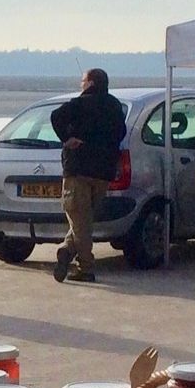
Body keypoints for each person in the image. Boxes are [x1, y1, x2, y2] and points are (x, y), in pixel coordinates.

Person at [48, 68, 126, 283]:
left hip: (78, 169)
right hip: (103, 171)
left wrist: (67, 138)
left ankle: (86, 268)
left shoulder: (79, 104)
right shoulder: (114, 105)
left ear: (91, 83)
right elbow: (121, 133)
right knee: (85, 220)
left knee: (78, 216)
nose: (81, 84)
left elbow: (55, 116)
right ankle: (66, 249)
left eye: (83, 81)